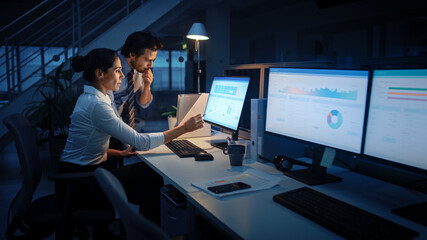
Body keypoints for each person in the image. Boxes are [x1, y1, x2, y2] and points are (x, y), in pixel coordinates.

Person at [55, 48, 203, 231]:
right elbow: (141, 142)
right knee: (150, 178)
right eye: (117, 70)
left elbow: (87, 146)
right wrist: (183, 128)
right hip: (78, 185)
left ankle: (144, 229)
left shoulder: (89, 98)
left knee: (146, 177)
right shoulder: (97, 104)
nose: (122, 76)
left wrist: (120, 153)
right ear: (100, 74)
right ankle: (148, 232)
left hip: (75, 177)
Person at [107, 30, 162, 123]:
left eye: (153, 60)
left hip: (115, 123)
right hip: (103, 123)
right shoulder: (111, 65)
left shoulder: (139, 68)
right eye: (147, 60)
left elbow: (143, 103)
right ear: (132, 54)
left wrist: (147, 85)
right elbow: (107, 105)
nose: (151, 65)